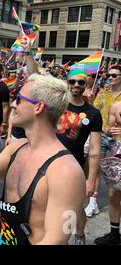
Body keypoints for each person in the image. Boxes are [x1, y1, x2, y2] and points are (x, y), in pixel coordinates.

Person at [0, 74, 86, 245]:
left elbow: (57, 240)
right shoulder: (17, 148)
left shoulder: (67, 171)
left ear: (38, 107)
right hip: (2, 240)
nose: (13, 104)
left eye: (19, 99)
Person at [56, 69, 102, 245]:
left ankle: (79, 235)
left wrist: (90, 180)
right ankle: (60, 239)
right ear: (67, 82)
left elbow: (95, 150)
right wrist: (28, 54)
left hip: (73, 167)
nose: (76, 85)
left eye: (81, 82)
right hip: (49, 164)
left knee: (73, 208)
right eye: (72, 81)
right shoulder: (57, 104)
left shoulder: (93, 113)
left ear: (86, 85)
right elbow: (35, 79)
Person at [89, 65, 121, 218]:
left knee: (116, 175)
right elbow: (95, 112)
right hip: (102, 135)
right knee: (95, 169)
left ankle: (115, 203)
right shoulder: (102, 93)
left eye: (114, 75)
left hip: (119, 140)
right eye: (109, 75)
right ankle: (93, 203)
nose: (110, 77)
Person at [94, 100, 121, 245]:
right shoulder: (116, 106)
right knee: (113, 194)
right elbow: (107, 129)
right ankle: (114, 234)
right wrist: (109, 131)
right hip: (117, 151)